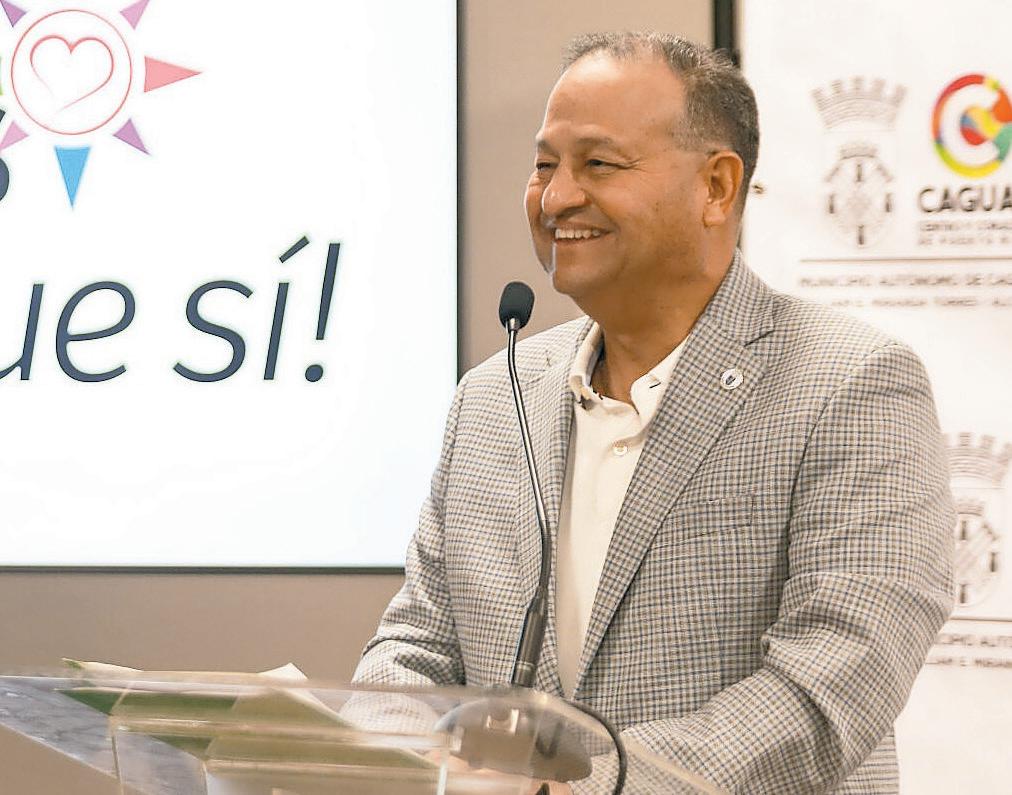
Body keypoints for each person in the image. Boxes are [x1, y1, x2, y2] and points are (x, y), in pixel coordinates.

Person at [354, 32, 954, 794]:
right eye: (545, 165)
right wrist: (393, 756)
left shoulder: (852, 385)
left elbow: (832, 683)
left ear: (716, 188)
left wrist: (580, 785)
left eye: (598, 164)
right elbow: (416, 646)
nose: (556, 198)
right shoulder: (494, 396)